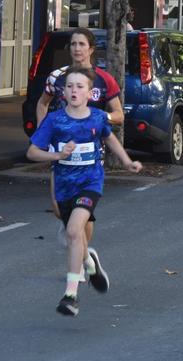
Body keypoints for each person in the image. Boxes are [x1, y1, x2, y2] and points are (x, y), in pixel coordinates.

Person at [27, 66, 142, 317]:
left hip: (90, 182)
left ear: (90, 93)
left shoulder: (98, 117)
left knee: (73, 230)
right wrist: (58, 154)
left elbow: (110, 139)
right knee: (75, 237)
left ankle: (70, 296)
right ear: (63, 93)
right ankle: (90, 263)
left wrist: (126, 161)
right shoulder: (54, 120)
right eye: (69, 86)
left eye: (80, 87)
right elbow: (32, 152)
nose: (74, 91)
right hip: (64, 185)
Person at [35, 28, 125, 238]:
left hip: (91, 156)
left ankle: (83, 256)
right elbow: (42, 103)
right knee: (59, 207)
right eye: (73, 44)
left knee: (84, 211)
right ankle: (75, 235)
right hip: (61, 153)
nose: (77, 49)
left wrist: (102, 117)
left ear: (91, 49)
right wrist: (44, 137)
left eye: (82, 44)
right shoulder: (57, 77)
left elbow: (119, 114)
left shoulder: (103, 79)